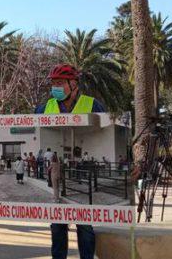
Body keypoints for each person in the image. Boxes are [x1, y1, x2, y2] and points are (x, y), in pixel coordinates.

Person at [35, 63, 105, 259]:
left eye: (59, 82)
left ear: (73, 84)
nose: (55, 87)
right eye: (53, 83)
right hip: (58, 176)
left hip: (77, 180)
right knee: (57, 228)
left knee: (84, 228)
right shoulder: (43, 108)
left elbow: (108, 129)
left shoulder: (93, 105)